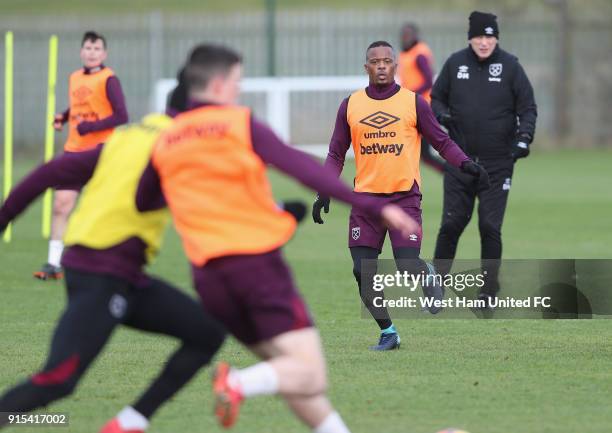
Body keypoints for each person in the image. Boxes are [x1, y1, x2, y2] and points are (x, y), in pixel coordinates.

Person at [137, 44, 420, 432]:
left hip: (207, 278)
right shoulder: (239, 123)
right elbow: (301, 166)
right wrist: (375, 207)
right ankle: (237, 382)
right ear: (218, 84)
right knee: (309, 375)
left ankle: (133, 419)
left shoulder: (169, 139)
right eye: (237, 80)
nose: (238, 89)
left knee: (290, 375)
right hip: (256, 270)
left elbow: (143, 200)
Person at [0, 112, 225, 433]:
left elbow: (50, 171)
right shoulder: (177, 146)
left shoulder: (126, 138)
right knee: (57, 379)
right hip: (100, 274)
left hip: (122, 276)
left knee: (208, 332)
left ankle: (130, 423)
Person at [312, 40, 488, 351]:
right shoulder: (350, 105)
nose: (381, 66)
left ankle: (428, 274)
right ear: (365, 67)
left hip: (404, 199)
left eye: (387, 61)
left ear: (395, 66)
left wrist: (466, 164)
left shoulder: (414, 103)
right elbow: (336, 153)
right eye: (375, 61)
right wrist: (324, 189)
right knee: (361, 271)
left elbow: (441, 142)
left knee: (407, 266)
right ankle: (388, 332)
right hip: (365, 203)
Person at [431, 11, 537, 304]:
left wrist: (523, 140)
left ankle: (488, 291)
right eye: (478, 36)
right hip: (459, 161)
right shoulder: (455, 64)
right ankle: (435, 289)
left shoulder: (511, 66)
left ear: (496, 38)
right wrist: (442, 115)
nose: (483, 42)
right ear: (470, 38)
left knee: (489, 227)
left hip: (498, 163)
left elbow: (528, 108)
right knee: (451, 225)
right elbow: (435, 97)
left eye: (489, 36)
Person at [35, 31, 128, 280]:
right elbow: (80, 106)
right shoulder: (75, 77)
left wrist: (92, 127)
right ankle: (54, 264)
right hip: (74, 150)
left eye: (97, 49)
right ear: (81, 51)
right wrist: (63, 117)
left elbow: (122, 116)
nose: (92, 52)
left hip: (102, 152)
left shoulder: (109, 79)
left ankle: (112, 261)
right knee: (61, 205)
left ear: (104, 54)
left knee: (104, 208)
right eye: (88, 48)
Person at [398, 22, 445, 173]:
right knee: (423, 154)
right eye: (404, 35)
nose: (405, 38)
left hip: (421, 107)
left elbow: (428, 80)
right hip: (410, 106)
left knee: (418, 150)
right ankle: (451, 172)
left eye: (408, 35)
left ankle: (452, 172)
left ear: (415, 36)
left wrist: (411, 94)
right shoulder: (405, 53)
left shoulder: (419, 54)